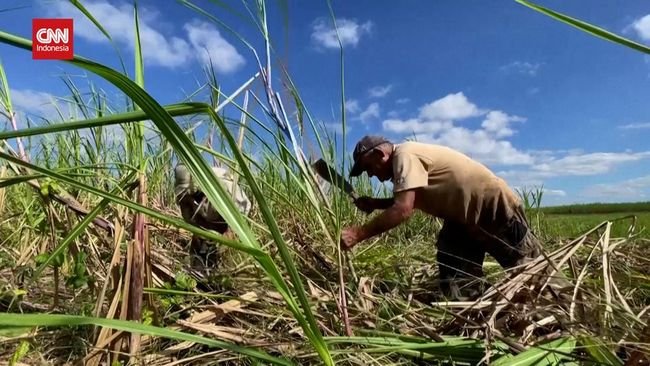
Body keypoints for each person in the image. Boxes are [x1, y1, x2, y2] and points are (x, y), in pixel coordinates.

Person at [339, 135, 542, 300]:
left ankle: (562, 311)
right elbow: (410, 199)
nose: (370, 175)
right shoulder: (406, 163)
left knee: (532, 274)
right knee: (456, 278)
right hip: (461, 219)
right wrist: (375, 203)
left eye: (368, 167)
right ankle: (474, 317)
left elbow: (403, 209)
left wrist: (359, 234)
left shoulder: (405, 155)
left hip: (492, 206)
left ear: (379, 154)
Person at [174, 162, 252, 268]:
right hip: (206, 217)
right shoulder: (183, 196)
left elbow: (242, 211)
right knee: (199, 251)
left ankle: (224, 271)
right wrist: (200, 232)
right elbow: (190, 220)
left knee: (224, 253)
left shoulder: (223, 183)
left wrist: (230, 233)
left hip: (227, 217)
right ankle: (198, 271)